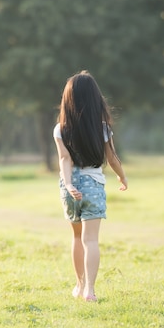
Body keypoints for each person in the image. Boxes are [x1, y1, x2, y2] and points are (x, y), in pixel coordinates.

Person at [53, 70, 128, 302]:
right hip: (94, 184)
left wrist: (68, 184)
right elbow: (112, 158)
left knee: (76, 238)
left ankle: (79, 284)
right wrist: (122, 177)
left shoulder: (60, 129)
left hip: (71, 187)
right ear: (96, 99)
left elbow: (65, 160)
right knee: (91, 240)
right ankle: (90, 291)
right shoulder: (102, 128)